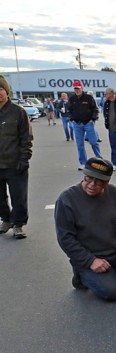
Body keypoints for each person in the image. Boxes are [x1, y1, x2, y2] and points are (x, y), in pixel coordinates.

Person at [54, 157, 116, 301]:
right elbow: (65, 238)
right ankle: (81, 275)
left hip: (115, 252)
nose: (92, 184)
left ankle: (113, 272)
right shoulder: (66, 200)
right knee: (112, 292)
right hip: (89, 256)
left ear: (107, 182)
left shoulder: (115, 194)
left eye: (99, 181)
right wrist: (90, 261)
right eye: (88, 178)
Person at [0, 75, 33, 239]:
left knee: (18, 197)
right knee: (0, 199)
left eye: (1, 89)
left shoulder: (18, 112)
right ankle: (6, 220)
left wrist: (24, 159)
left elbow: (26, 138)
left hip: (15, 164)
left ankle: (18, 225)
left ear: (7, 92)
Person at [68, 81, 102, 170]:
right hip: (77, 124)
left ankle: (99, 159)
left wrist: (92, 119)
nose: (77, 90)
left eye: (78, 88)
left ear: (81, 88)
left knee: (94, 142)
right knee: (80, 145)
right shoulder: (72, 99)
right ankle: (83, 163)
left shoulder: (88, 98)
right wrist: (72, 119)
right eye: (75, 88)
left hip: (88, 123)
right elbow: (69, 110)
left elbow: (95, 109)